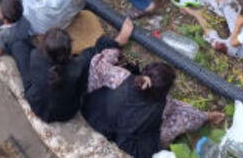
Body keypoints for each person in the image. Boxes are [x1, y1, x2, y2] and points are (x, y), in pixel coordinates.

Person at [86, 47, 225, 153]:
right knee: (172, 125)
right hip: (127, 143)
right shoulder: (166, 108)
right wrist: (208, 116)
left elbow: (99, 60)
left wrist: (116, 51)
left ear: (144, 72)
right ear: (165, 91)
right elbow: (190, 116)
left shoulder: (119, 76)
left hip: (97, 116)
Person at [0, 17, 134, 122]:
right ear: (69, 51)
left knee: (19, 46)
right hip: (66, 113)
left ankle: (3, 39)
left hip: (38, 105)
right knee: (89, 55)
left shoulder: (36, 56)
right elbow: (81, 87)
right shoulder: (76, 67)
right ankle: (118, 41)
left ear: (44, 49)